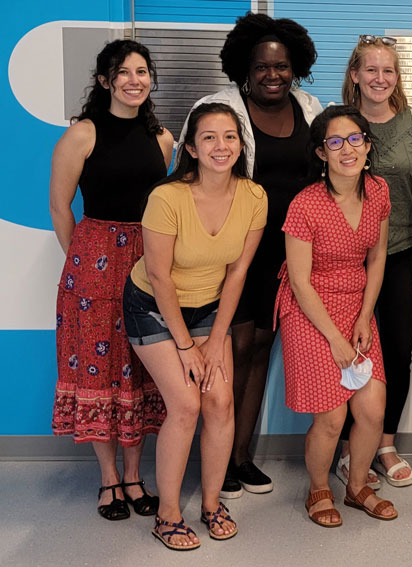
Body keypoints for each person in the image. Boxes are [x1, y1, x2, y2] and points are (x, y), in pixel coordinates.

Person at [180, 11, 322, 498]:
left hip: (287, 253)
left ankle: (241, 456)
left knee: (262, 348)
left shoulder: (308, 106)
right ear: (244, 67)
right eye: (262, 66)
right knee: (230, 350)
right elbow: (188, 173)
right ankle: (216, 458)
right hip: (234, 252)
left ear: (295, 68)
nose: (272, 74)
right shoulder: (219, 107)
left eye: (281, 66)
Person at [124, 103, 266, 550]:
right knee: (186, 403)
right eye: (209, 137)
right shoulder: (167, 198)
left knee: (221, 400)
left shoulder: (254, 197)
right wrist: (187, 348)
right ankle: (167, 516)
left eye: (229, 136)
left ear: (240, 145)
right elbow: (161, 276)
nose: (220, 146)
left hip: (208, 308)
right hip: (152, 305)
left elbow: (237, 274)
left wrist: (217, 335)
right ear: (191, 147)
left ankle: (210, 504)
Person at [50, 39, 171, 521]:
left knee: (141, 369)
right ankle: (108, 480)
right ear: (105, 81)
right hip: (92, 265)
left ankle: (136, 475)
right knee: (99, 371)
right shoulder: (83, 134)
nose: (134, 79)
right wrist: (81, 262)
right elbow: (61, 207)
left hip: (148, 260)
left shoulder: (162, 138)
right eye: (123, 72)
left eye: (142, 71)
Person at [276, 105, 397, 527]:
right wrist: (335, 338)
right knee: (331, 415)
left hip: (356, 305)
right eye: (334, 141)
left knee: (373, 409)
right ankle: (318, 489)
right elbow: (299, 281)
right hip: (309, 309)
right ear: (321, 152)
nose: (347, 149)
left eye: (355, 139)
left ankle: (358, 485)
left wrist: (365, 317)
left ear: (367, 145)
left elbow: (378, 256)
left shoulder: (379, 189)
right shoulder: (304, 204)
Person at [334, 35, 412, 488]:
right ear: (355, 74)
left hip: (402, 256)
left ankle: (383, 444)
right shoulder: (337, 124)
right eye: (371, 69)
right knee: (342, 354)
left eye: (388, 71)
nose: (380, 78)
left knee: (397, 353)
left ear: (398, 77)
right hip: (344, 260)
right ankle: (342, 447)